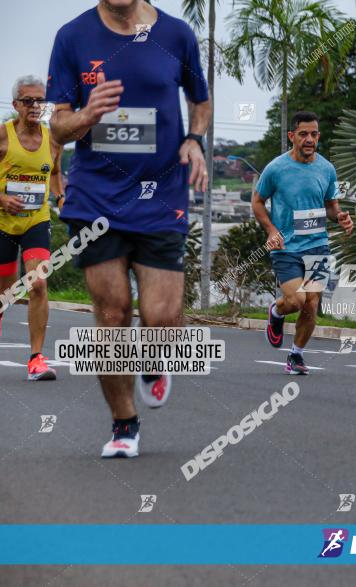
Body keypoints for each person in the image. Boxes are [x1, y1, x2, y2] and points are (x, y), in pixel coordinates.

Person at [47, 0, 210, 457]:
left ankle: (156, 363)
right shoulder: (72, 36)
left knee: (161, 319)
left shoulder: (176, 35)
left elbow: (200, 99)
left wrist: (194, 141)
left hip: (161, 196)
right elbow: (58, 127)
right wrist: (85, 116)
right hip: (95, 195)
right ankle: (124, 424)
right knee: (113, 312)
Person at [253, 111, 353, 375]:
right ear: (291, 136)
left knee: (311, 303)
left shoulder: (327, 169)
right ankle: (276, 312)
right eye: (303, 134)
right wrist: (271, 230)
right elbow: (257, 202)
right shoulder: (275, 168)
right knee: (296, 300)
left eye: (314, 134)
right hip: (286, 247)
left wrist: (341, 217)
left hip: (318, 245)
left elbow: (332, 206)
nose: (309, 139)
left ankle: (296, 355)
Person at [0, 75, 64, 381]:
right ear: (16, 105)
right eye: (28, 101)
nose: (36, 106)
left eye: (41, 100)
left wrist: (61, 195)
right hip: (2, 223)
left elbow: (56, 172)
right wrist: (1, 197)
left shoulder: (52, 140)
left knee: (38, 284)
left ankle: (36, 359)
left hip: (36, 221)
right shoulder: (2, 136)